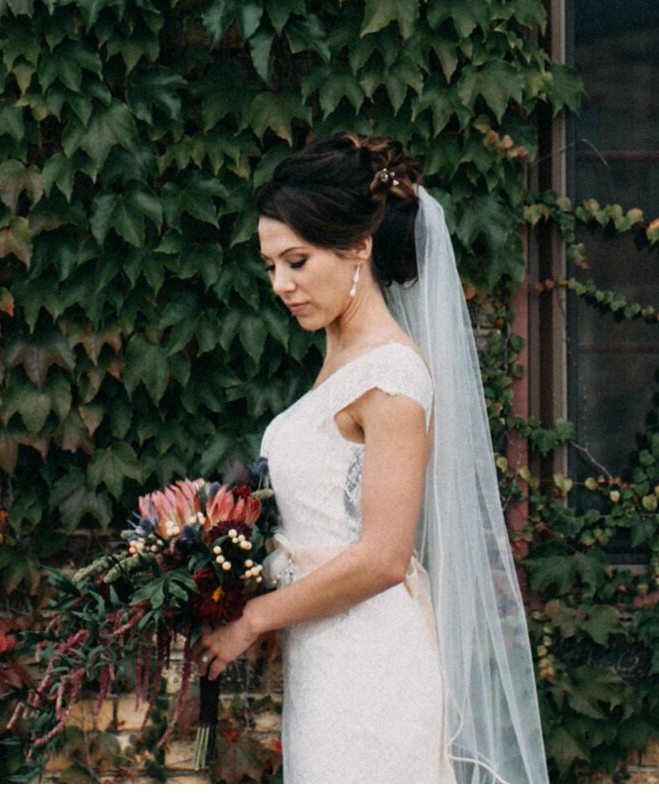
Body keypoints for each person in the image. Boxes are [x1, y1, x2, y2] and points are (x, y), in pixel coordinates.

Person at [198, 134, 548, 784]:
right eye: (271, 265)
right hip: (326, 659)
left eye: (297, 261)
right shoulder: (341, 359)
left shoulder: (391, 376)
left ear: (358, 246)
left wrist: (253, 619)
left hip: (373, 666)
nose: (281, 284)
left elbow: (385, 555)